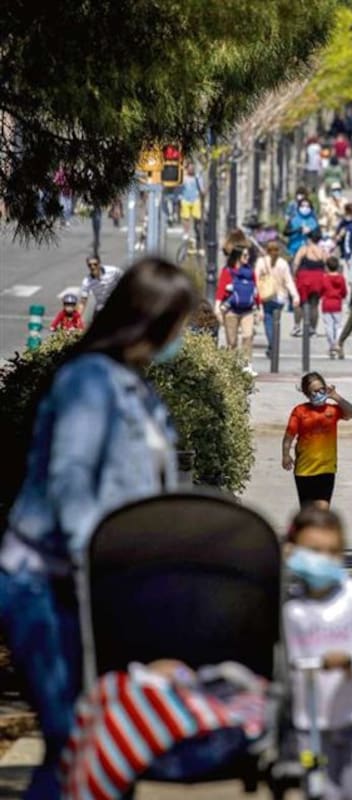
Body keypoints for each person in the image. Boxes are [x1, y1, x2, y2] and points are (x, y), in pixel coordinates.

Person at [0, 257, 196, 798]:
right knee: (74, 743)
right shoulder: (88, 382)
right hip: (50, 583)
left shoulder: (135, 390)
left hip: (103, 585)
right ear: (152, 320)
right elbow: (70, 484)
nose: (183, 335)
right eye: (179, 322)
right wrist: (103, 565)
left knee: (105, 744)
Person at [282, 506, 352, 800]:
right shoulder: (290, 608)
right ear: (292, 551)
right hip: (309, 727)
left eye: (332, 551)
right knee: (320, 792)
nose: (324, 559)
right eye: (314, 550)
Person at [282, 373, 352, 508]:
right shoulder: (300, 411)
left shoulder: (332, 410)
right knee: (308, 511)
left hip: (326, 469)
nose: (319, 394)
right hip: (305, 470)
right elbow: (289, 436)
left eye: (321, 389)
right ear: (307, 394)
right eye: (314, 392)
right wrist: (285, 455)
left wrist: (336, 396)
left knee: (323, 509)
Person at [255, 240, 300, 360]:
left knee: (268, 321)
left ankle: (272, 345)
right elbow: (289, 281)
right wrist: (295, 296)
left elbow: (255, 279)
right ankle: (273, 344)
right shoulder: (283, 263)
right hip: (280, 298)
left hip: (266, 296)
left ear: (267, 250)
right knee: (276, 323)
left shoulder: (261, 262)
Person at [216, 246, 260, 365]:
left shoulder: (250, 271)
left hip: (248, 309)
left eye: (248, 255)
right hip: (231, 309)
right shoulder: (228, 271)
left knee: (248, 336)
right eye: (245, 255)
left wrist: (260, 309)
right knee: (232, 341)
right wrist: (217, 306)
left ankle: (246, 365)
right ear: (237, 256)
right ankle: (231, 366)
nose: (248, 257)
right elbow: (220, 289)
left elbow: (255, 290)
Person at [292, 230, 328, 338]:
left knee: (300, 303)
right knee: (314, 304)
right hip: (318, 278)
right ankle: (312, 329)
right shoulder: (322, 251)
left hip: (304, 277)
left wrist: (294, 275)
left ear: (310, 239)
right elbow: (327, 266)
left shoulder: (304, 249)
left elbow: (296, 263)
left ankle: (297, 326)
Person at [320, 258, 348, 359]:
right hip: (337, 303)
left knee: (328, 326)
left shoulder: (324, 278)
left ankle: (332, 345)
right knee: (338, 325)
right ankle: (338, 343)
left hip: (327, 303)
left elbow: (321, 290)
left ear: (327, 267)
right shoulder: (341, 278)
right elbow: (344, 292)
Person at [179, 163, 204, 241]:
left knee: (197, 217)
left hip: (195, 199)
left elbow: (201, 188)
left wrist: (202, 193)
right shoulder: (183, 177)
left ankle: (195, 230)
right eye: (190, 168)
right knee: (185, 217)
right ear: (187, 169)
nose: (191, 169)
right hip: (185, 199)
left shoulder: (198, 177)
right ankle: (186, 232)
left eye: (192, 168)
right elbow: (179, 187)